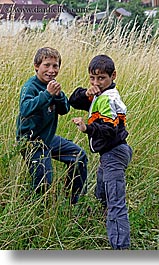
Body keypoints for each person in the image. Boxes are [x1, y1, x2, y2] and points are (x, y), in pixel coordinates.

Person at [69, 54, 132, 249]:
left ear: (113, 76)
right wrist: (88, 93)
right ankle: (99, 222)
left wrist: (87, 128)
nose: (96, 82)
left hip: (114, 153)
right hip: (111, 154)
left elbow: (109, 130)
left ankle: (120, 248)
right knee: (101, 192)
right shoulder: (100, 95)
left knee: (116, 203)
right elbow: (73, 101)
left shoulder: (108, 99)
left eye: (101, 78)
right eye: (92, 78)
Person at [16, 47, 87, 204]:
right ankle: (38, 210)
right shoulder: (31, 86)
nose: (51, 70)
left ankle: (74, 201)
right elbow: (25, 109)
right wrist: (47, 94)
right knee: (44, 182)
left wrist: (59, 96)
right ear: (36, 66)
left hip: (47, 138)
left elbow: (64, 110)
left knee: (79, 156)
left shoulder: (53, 85)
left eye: (55, 66)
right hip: (31, 141)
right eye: (46, 65)